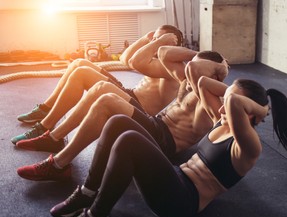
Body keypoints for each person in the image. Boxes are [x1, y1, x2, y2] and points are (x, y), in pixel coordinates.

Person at [50, 77, 287, 217]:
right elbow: (203, 81)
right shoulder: (221, 121)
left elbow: (234, 101)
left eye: (226, 104)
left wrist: (260, 110)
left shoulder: (248, 147)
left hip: (182, 202)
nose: (219, 107)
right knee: (119, 122)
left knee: (129, 140)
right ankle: (88, 191)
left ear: (246, 113)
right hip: (174, 177)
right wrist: (243, 101)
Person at [16, 47, 230, 181]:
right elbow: (165, 53)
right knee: (102, 92)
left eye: (197, 65)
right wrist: (200, 55)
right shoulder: (188, 81)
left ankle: (58, 164)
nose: (190, 66)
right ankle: (54, 141)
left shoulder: (213, 98)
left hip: (164, 142)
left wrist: (216, 66)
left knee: (106, 96)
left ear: (213, 73)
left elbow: (196, 73)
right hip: (154, 125)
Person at [11, 25, 184, 145]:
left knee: (82, 74)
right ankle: (46, 109)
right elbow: (125, 58)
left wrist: (157, 42)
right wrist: (148, 38)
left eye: (160, 39)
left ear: (174, 44)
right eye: (155, 39)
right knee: (80, 63)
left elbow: (134, 62)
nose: (154, 42)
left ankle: (44, 127)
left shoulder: (171, 66)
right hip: (130, 94)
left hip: (137, 108)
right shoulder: (156, 57)